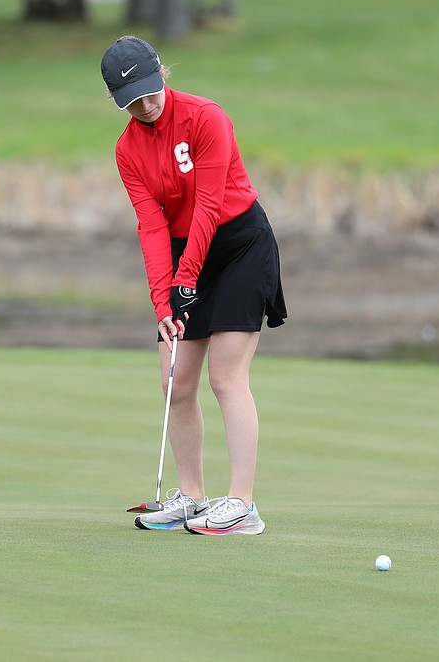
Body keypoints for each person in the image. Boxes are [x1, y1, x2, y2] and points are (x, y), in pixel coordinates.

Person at [101, 36, 287, 536]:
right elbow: (152, 226)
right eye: (131, 100)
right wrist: (164, 300)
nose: (145, 105)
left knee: (226, 378)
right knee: (174, 382)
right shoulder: (127, 150)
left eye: (149, 90)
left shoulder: (207, 118)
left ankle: (243, 505)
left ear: (161, 72)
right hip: (187, 251)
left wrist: (188, 280)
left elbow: (207, 204)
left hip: (240, 245)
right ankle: (192, 497)